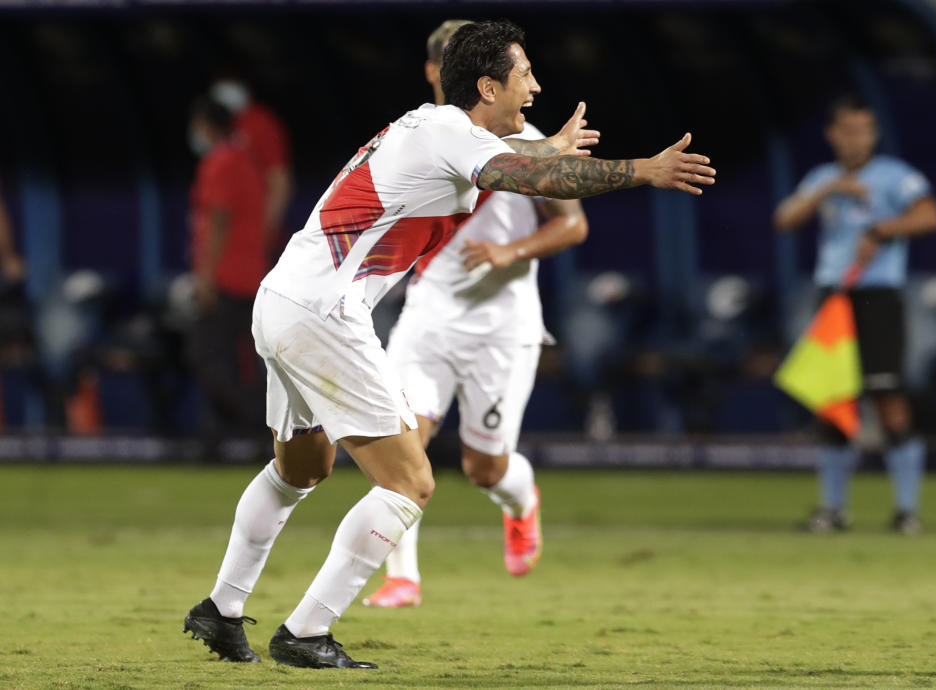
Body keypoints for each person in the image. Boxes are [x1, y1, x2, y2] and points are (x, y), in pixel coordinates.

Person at [183, 19, 715, 670]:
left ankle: (221, 610)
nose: (536, 84)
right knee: (411, 481)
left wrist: (552, 147)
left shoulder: (447, 129)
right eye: (525, 74)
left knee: (301, 470)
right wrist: (644, 169)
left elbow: (535, 163)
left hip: (284, 302)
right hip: (325, 314)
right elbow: (535, 180)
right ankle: (306, 632)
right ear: (487, 86)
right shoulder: (445, 132)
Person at [362, 19, 589, 609]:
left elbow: (573, 223)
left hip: (502, 325)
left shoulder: (528, 140)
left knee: (484, 468)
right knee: (402, 443)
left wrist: (509, 252)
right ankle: (401, 576)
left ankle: (522, 501)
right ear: (436, 71)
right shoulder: (417, 137)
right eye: (443, 61)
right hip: (430, 315)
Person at [774, 94, 936, 534]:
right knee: (834, 401)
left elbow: (931, 215)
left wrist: (882, 229)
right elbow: (786, 218)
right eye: (850, 130)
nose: (859, 139)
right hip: (835, 296)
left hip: (878, 295)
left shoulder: (894, 176)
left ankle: (907, 510)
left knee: (888, 397)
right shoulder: (824, 177)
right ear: (833, 134)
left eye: (866, 130)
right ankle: (834, 509)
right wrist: (827, 190)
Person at [186, 96, 268, 453]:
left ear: (207, 126)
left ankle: (256, 425)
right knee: (236, 360)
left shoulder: (220, 161)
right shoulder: (246, 160)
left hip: (226, 278)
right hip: (250, 274)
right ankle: (216, 438)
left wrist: (205, 278)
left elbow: (217, 221)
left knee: (208, 358)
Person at [210, 78, 293, 254]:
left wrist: (266, 231)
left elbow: (280, 180)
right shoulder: (219, 126)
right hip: (227, 235)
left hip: (253, 235)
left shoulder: (258, 122)